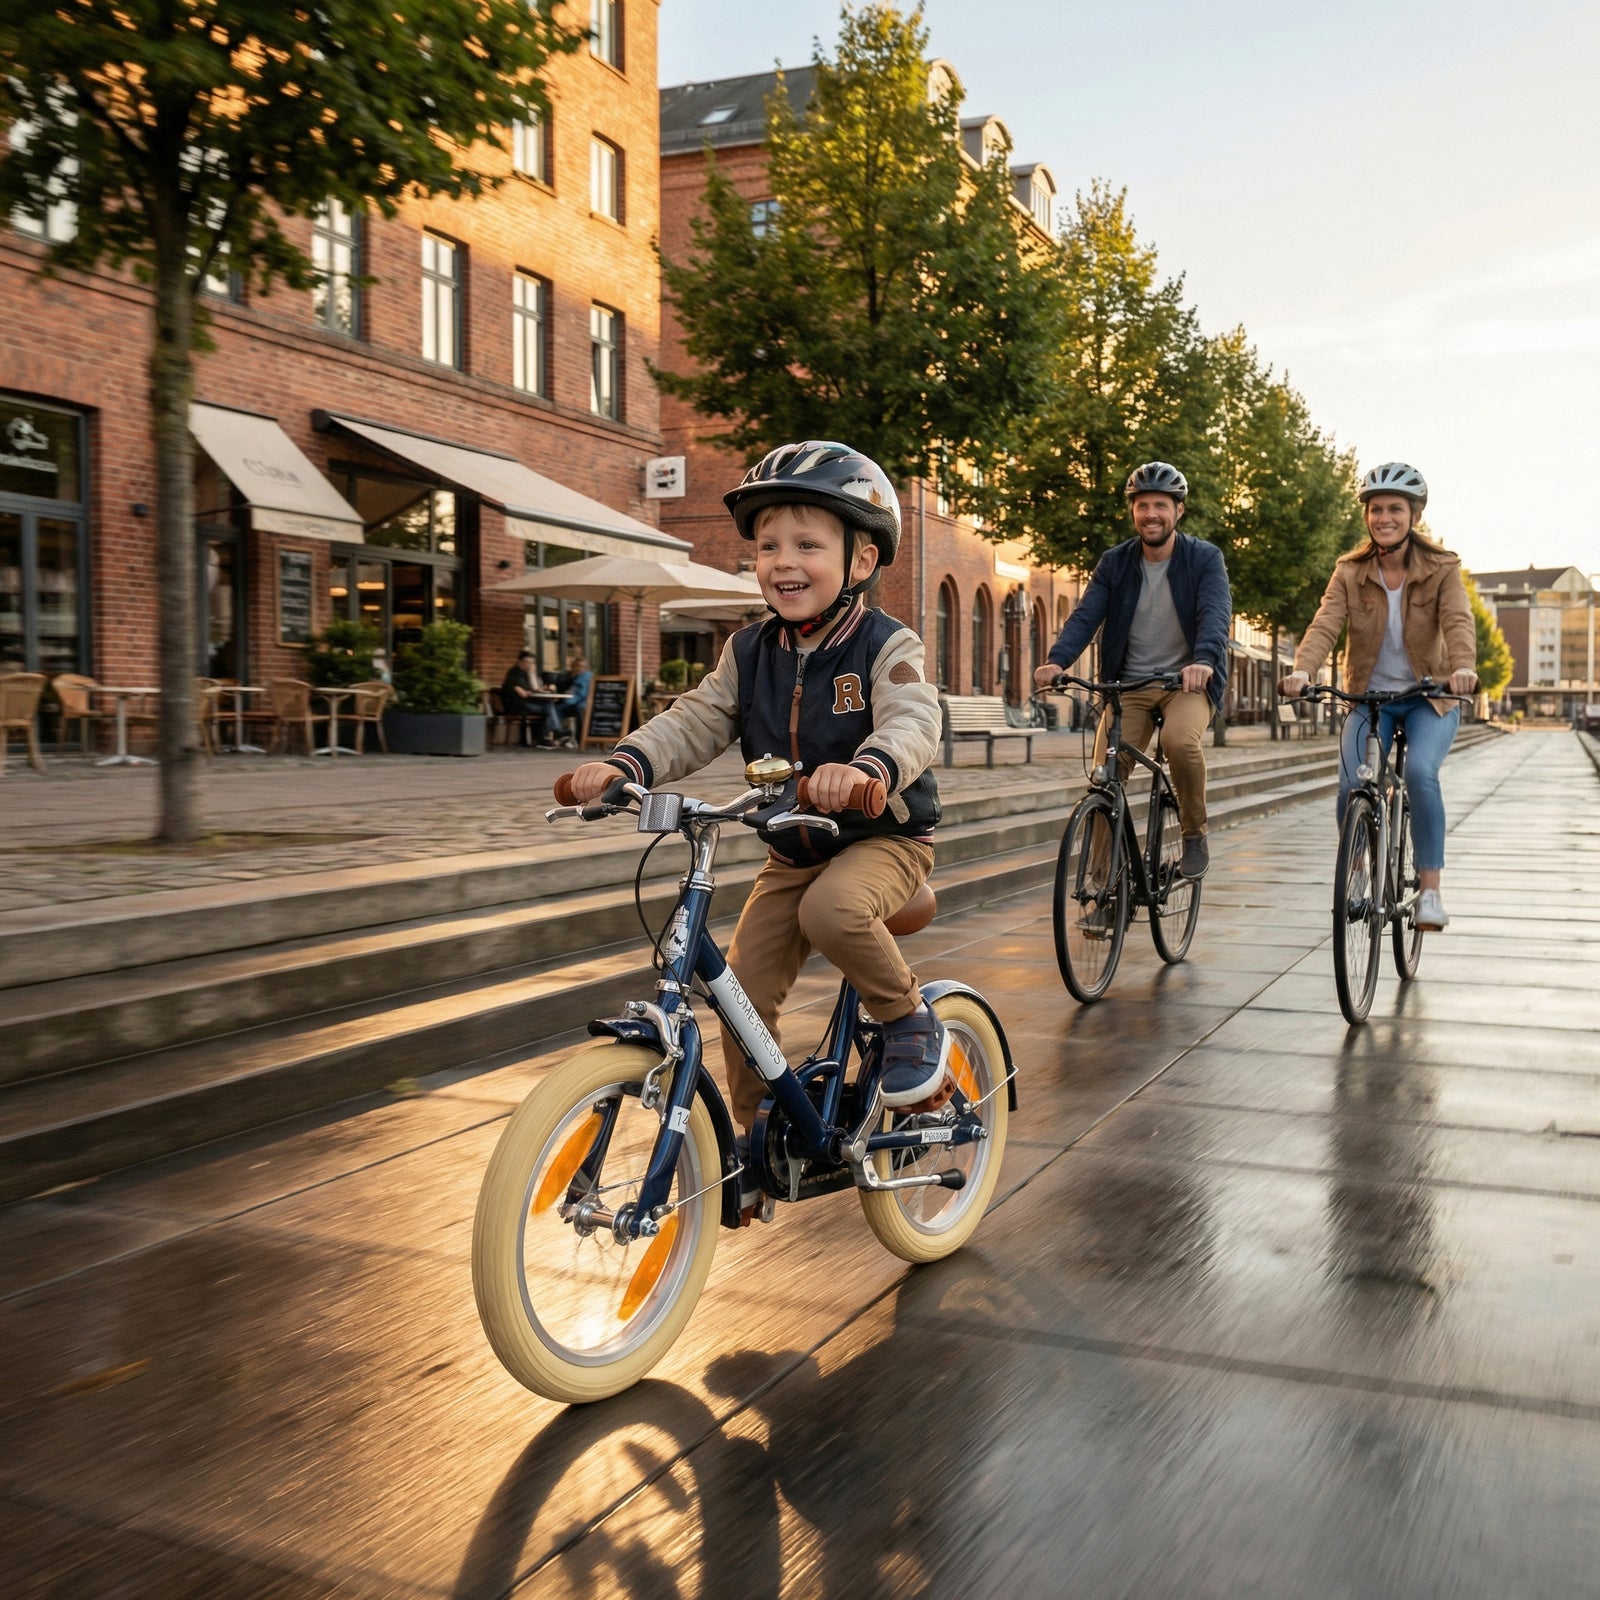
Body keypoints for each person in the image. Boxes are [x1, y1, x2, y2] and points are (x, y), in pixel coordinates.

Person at [562, 440, 946, 1150]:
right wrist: (627, 764)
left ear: (862, 560)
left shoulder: (886, 644)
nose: (783, 561)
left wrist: (869, 770)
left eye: (808, 543)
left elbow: (915, 718)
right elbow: (696, 719)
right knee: (737, 993)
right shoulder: (748, 651)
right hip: (792, 849)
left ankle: (906, 1018)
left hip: (882, 839)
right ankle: (756, 1139)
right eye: (769, 545)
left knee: (834, 911)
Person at [1279, 462, 1476, 930]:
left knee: (1422, 773)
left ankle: (1430, 893)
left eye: (1395, 509)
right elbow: (1325, 622)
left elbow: (1457, 620)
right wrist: (1302, 669)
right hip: (1371, 699)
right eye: (1376, 509)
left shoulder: (1442, 567)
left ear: (1413, 515)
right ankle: (1360, 873)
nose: (1384, 517)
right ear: (1367, 515)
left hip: (1431, 697)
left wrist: (1464, 667)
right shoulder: (1350, 571)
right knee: (1351, 782)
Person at [1032, 461, 1231, 880]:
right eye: (1142, 505)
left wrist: (1204, 661)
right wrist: (1056, 661)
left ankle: (1195, 833)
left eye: (1161, 504)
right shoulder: (1115, 562)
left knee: (1179, 741)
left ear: (1179, 511)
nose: (1151, 514)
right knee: (1107, 775)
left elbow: (1215, 615)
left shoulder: (1204, 559)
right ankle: (1104, 885)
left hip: (1186, 683)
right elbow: (1086, 617)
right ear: (1133, 511)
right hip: (1130, 685)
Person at [540, 653, 592, 749]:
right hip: (569, 703)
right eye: (577, 666)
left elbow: (579, 694)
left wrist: (564, 700)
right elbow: (561, 686)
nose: (579, 669)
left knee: (554, 708)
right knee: (553, 709)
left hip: (579, 704)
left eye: (581, 667)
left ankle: (558, 734)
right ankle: (559, 734)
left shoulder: (585, 677)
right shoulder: (569, 676)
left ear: (585, 668)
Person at [500, 650, 544, 748]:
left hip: (525, 704)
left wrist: (532, 674)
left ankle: (542, 738)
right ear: (520, 662)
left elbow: (535, 688)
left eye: (532, 663)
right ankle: (545, 737)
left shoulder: (527, 674)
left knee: (548, 708)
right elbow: (523, 694)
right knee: (548, 709)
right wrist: (530, 689)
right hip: (516, 705)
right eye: (528, 662)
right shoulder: (514, 675)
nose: (530, 665)